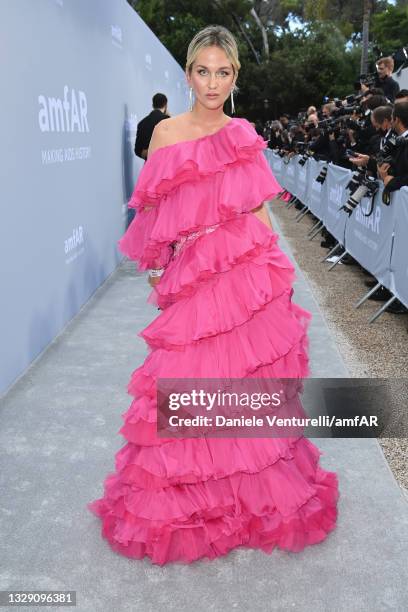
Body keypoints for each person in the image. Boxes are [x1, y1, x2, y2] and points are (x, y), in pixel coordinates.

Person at [88, 24, 339, 565]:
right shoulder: (166, 134)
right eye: (203, 71)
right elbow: (155, 208)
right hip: (195, 270)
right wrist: (159, 266)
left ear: (235, 77)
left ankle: (244, 499)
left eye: (223, 72)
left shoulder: (242, 133)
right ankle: (195, 498)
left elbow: (256, 208)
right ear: (187, 73)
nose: (212, 82)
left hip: (244, 270)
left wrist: (275, 269)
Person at [134, 93, 169, 160]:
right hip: (164, 164)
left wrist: (149, 153)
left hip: (149, 165)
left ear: (153, 105)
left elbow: (137, 151)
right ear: (165, 105)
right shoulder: (167, 121)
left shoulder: (142, 123)